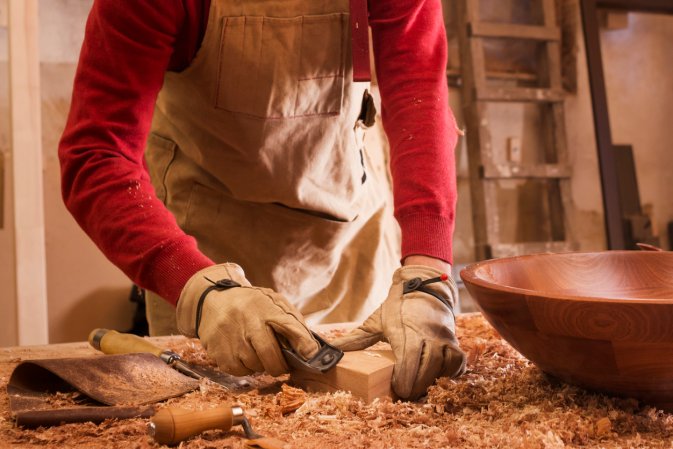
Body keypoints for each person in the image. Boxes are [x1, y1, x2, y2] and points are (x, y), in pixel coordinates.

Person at [59, 0, 465, 400]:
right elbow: (97, 153)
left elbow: (420, 97)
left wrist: (427, 270)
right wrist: (198, 288)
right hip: (208, 246)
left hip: (351, 239)